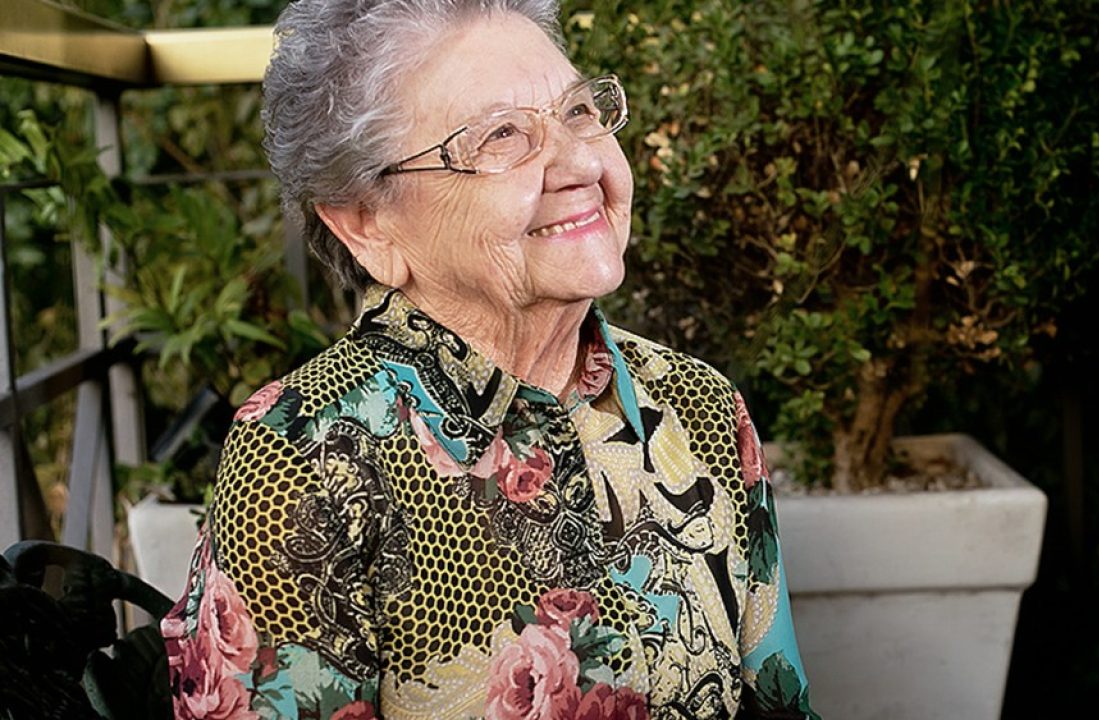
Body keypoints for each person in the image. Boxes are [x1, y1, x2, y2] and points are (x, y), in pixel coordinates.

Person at [162, 1, 820, 718]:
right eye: (502, 135)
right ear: (365, 220)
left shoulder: (696, 403)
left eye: (577, 112)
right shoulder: (303, 457)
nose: (578, 164)